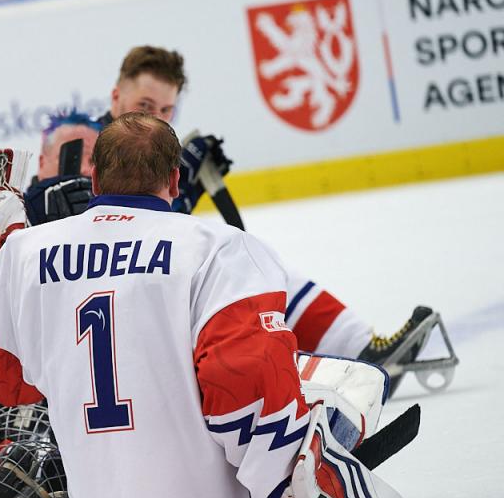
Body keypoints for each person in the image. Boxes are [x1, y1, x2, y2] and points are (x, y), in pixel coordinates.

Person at [0, 114, 404, 498]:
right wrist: (291, 488)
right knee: (350, 381)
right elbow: (243, 386)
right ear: (174, 181)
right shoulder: (217, 246)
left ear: (97, 184)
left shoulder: (24, 254)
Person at [25, 45, 454, 393]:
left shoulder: (139, 146)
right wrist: (185, 185)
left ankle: (359, 347)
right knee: (239, 267)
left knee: (253, 263)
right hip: (116, 325)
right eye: (145, 104)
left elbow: (151, 235)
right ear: (115, 97)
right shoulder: (84, 145)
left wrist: (185, 183)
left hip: (136, 309)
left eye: (167, 109)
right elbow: (112, 237)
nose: (157, 118)